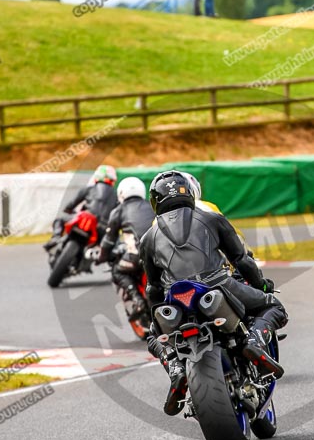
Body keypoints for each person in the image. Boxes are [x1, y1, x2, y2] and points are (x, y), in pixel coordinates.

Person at [141, 170, 287, 416]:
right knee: (274, 306)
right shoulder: (211, 217)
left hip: (175, 299)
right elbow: (241, 259)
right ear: (189, 191)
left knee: (154, 338)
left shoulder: (148, 238)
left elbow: (152, 287)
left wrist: (156, 316)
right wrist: (260, 285)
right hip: (218, 285)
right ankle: (253, 342)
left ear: (156, 201)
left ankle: (176, 368)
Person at [98, 176, 154, 315]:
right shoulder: (152, 206)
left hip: (137, 257)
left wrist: (102, 257)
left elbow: (108, 240)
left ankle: (138, 300)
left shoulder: (119, 210)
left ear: (121, 193)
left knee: (117, 270)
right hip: (161, 254)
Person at [43, 164, 118, 251]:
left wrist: (68, 210)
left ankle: (55, 238)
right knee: (113, 245)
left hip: (86, 220)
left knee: (60, 219)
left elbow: (71, 204)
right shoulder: (116, 195)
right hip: (103, 228)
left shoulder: (89, 189)